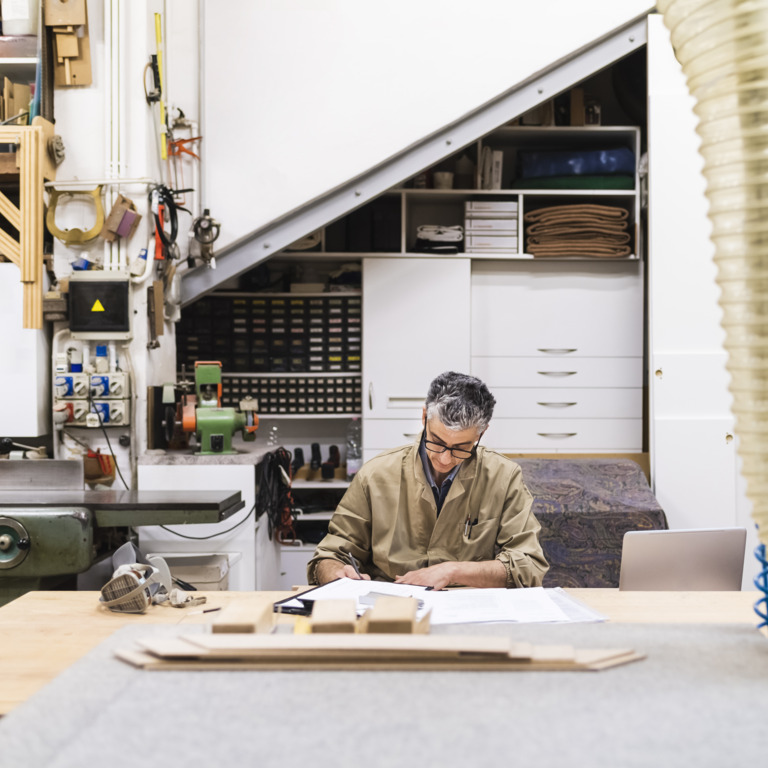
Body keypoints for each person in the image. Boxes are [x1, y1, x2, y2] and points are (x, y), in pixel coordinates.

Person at [307, 371, 549, 589]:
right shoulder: (375, 475)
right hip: (390, 606)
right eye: (437, 441)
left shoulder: (504, 477)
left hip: (467, 608)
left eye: (461, 448)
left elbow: (529, 565)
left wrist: (454, 571)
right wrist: (336, 574)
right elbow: (328, 556)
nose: (444, 459)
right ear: (424, 417)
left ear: (481, 433)